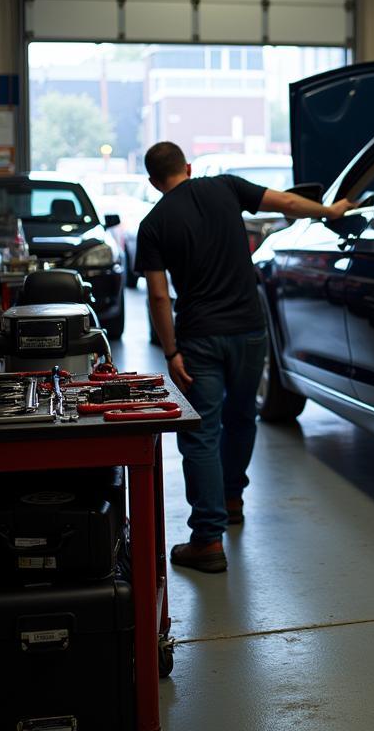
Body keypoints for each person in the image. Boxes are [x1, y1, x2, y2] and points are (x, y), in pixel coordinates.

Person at [135, 141, 354, 573]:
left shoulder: (154, 223)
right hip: (251, 332)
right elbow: (287, 202)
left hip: (200, 339)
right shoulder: (226, 187)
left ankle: (208, 540)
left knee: (202, 433)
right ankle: (232, 499)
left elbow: (159, 296)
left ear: (153, 181)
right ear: (188, 167)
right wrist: (330, 212)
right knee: (241, 419)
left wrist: (171, 349)